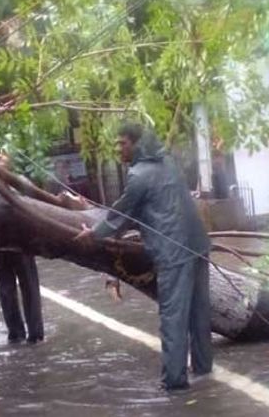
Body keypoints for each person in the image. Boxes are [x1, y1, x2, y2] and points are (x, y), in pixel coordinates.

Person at [75, 122, 212, 391]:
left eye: (123, 143)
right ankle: (204, 368)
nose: (118, 149)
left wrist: (94, 233)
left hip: (174, 254)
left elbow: (120, 214)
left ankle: (174, 382)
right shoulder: (168, 162)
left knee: (173, 316)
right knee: (199, 313)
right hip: (198, 245)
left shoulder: (138, 176)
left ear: (137, 144)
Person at [0, 153, 45, 344]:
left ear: (10, 165)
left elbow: (36, 208)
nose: (0, 163)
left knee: (30, 290)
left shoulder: (21, 184)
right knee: (6, 293)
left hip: (23, 247)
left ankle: (36, 334)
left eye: (4, 160)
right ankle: (15, 333)